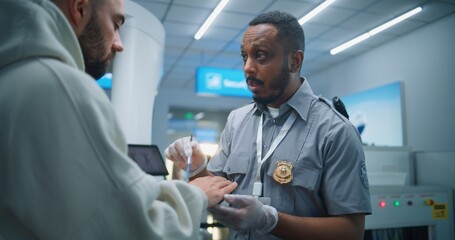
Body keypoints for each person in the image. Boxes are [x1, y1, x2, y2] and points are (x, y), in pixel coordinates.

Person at [0, 0, 237, 239]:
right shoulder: (60, 86)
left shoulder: (13, 74)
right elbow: (134, 229)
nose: (119, 44)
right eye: (115, 24)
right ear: (79, 8)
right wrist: (195, 195)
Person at [165, 10, 371, 240]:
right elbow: (217, 193)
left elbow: (351, 232)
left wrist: (270, 220)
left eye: (260, 56)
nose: (247, 67)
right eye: (245, 57)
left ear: (295, 61)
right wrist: (196, 167)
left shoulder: (335, 131)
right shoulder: (237, 120)